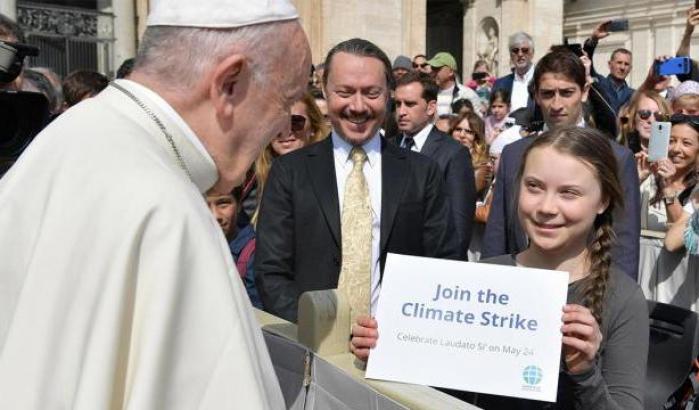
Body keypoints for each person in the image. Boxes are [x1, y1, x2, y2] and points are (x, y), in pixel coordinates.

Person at [0, 0, 311, 407]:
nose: (285, 125)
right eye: (287, 101)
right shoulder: (170, 212)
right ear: (229, 83)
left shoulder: (65, 136)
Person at [351, 127, 649, 410]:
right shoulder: (483, 277)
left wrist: (585, 373)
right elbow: (441, 391)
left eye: (568, 193)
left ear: (603, 201)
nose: (546, 207)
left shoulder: (622, 299)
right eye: (534, 187)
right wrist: (385, 351)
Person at [255, 38, 458, 323]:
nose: (358, 106)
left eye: (371, 93)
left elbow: (443, 266)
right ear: (325, 91)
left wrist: (398, 332)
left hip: (394, 349)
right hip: (313, 348)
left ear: (388, 94)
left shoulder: (422, 174)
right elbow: (270, 272)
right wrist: (320, 330)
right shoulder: (290, 172)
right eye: (345, 92)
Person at [482, 48, 641, 280]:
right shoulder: (513, 155)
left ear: (584, 92)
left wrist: (611, 308)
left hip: (586, 293)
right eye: (548, 94)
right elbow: (497, 235)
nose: (556, 104)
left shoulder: (617, 159)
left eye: (567, 93)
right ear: (536, 95)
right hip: (518, 289)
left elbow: (623, 244)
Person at [393, 71, 476, 260]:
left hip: (432, 270)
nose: (401, 111)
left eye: (410, 104)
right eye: (398, 104)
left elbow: (459, 229)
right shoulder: (387, 147)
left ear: (431, 108)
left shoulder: (454, 154)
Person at [253, 91, 329, 220]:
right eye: (276, 124)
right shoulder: (252, 179)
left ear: (313, 128)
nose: (286, 132)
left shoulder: (331, 173)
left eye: (296, 122)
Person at [639, 115, 699, 232]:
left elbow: (683, 236)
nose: (676, 149)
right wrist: (637, 179)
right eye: (671, 141)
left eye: (686, 143)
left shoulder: (697, 190)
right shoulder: (647, 181)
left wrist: (668, 188)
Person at [583, 22, 634, 114]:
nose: (622, 67)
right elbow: (586, 61)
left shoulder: (633, 94)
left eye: (626, 64)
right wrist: (594, 39)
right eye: (619, 63)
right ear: (610, 64)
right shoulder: (598, 83)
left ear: (630, 68)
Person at [427, 51, 481, 118]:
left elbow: (477, 123)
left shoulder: (468, 95)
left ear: (451, 72)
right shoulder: (428, 93)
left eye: (437, 69)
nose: (433, 72)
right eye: (432, 68)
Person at [492, 32, 535, 113]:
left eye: (525, 50)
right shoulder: (500, 84)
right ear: (511, 55)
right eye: (515, 51)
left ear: (532, 53)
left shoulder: (542, 80)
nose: (520, 54)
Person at [619, 89, 671, 154]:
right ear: (633, 117)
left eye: (658, 116)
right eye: (644, 114)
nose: (651, 121)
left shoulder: (673, 154)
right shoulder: (618, 154)